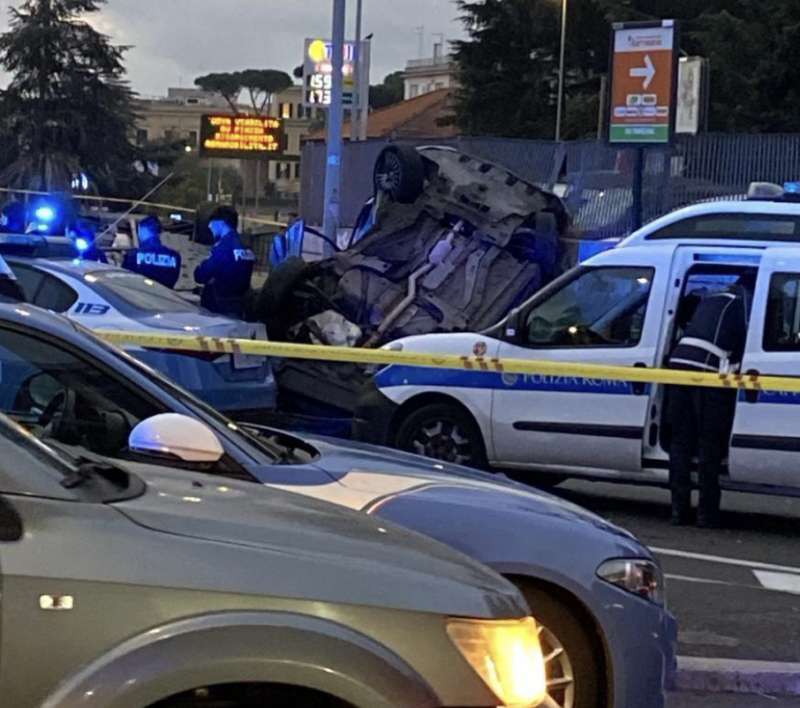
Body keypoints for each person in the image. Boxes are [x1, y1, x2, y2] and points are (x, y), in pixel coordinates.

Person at [666, 274, 755, 528]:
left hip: (677, 364)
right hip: (708, 372)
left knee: (680, 443)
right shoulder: (744, 305)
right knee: (709, 444)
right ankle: (707, 514)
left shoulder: (710, 299)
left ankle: (678, 510)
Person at [194, 206, 254, 316]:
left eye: (211, 222)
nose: (209, 226)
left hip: (218, 309)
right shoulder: (246, 246)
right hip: (239, 307)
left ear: (221, 223)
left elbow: (201, 275)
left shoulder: (223, 248)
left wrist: (200, 266)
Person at [122, 216, 182, 288]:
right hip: (164, 297)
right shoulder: (174, 256)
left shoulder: (133, 256)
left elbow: (125, 280)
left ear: (143, 231)